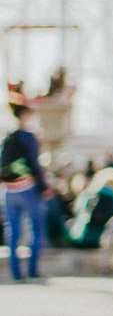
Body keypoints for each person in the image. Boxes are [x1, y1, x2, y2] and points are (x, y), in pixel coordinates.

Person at [1, 103, 48, 281]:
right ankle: (33, 269)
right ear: (26, 115)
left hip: (8, 190)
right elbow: (35, 164)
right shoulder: (28, 137)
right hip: (28, 188)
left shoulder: (6, 138)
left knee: (12, 233)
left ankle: (15, 273)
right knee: (36, 229)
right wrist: (43, 187)